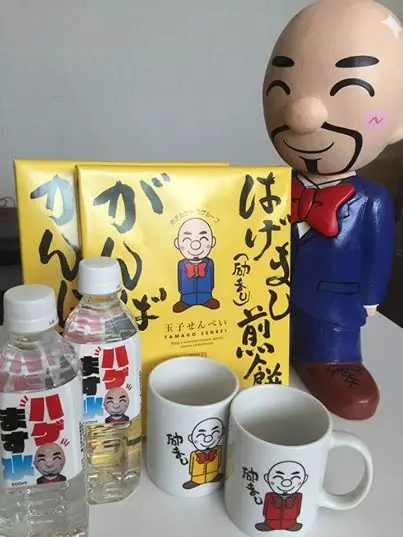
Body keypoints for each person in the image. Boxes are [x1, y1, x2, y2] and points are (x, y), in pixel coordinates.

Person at [262, 0, 403, 419]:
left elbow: (378, 253)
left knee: (330, 347)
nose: (302, 114)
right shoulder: (267, 186)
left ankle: (333, 361)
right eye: (282, 89)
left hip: (335, 305)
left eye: (350, 91)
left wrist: (372, 298)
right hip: (269, 303)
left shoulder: (372, 199)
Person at [173, 217, 220, 312]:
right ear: (177, 243)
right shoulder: (181, 264)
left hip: (206, 294)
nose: (195, 245)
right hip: (186, 295)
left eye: (204, 239)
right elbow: (180, 281)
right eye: (187, 239)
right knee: (185, 300)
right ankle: (185, 302)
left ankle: (206, 300)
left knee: (208, 299)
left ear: (212, 242)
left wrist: (210, 289)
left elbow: (211, 280)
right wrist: (181, 291)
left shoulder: (209, 263)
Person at [256, 461, 308, 532]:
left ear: (304, 479)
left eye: (295, 477)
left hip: (291, 521)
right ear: (267, 478)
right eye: (278, 477)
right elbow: (265, 509)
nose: (286, 483)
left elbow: (298, 510)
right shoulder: (269, 495)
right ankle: (269, 525)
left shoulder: (298, 496)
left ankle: (290, 525)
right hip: (270, 520)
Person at [182, 417, 225, 489]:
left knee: (213, 474)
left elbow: (219, 460)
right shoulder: (194, 454)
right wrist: (191, 473)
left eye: (214, 432)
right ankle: (195, 481)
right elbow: (191, 465)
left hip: (213, 472)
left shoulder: (218, 449)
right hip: (197, 475)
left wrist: (218, 466)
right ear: (191, 438)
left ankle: (213, 477)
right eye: (201, 435)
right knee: (197, 478)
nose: (208, 438)